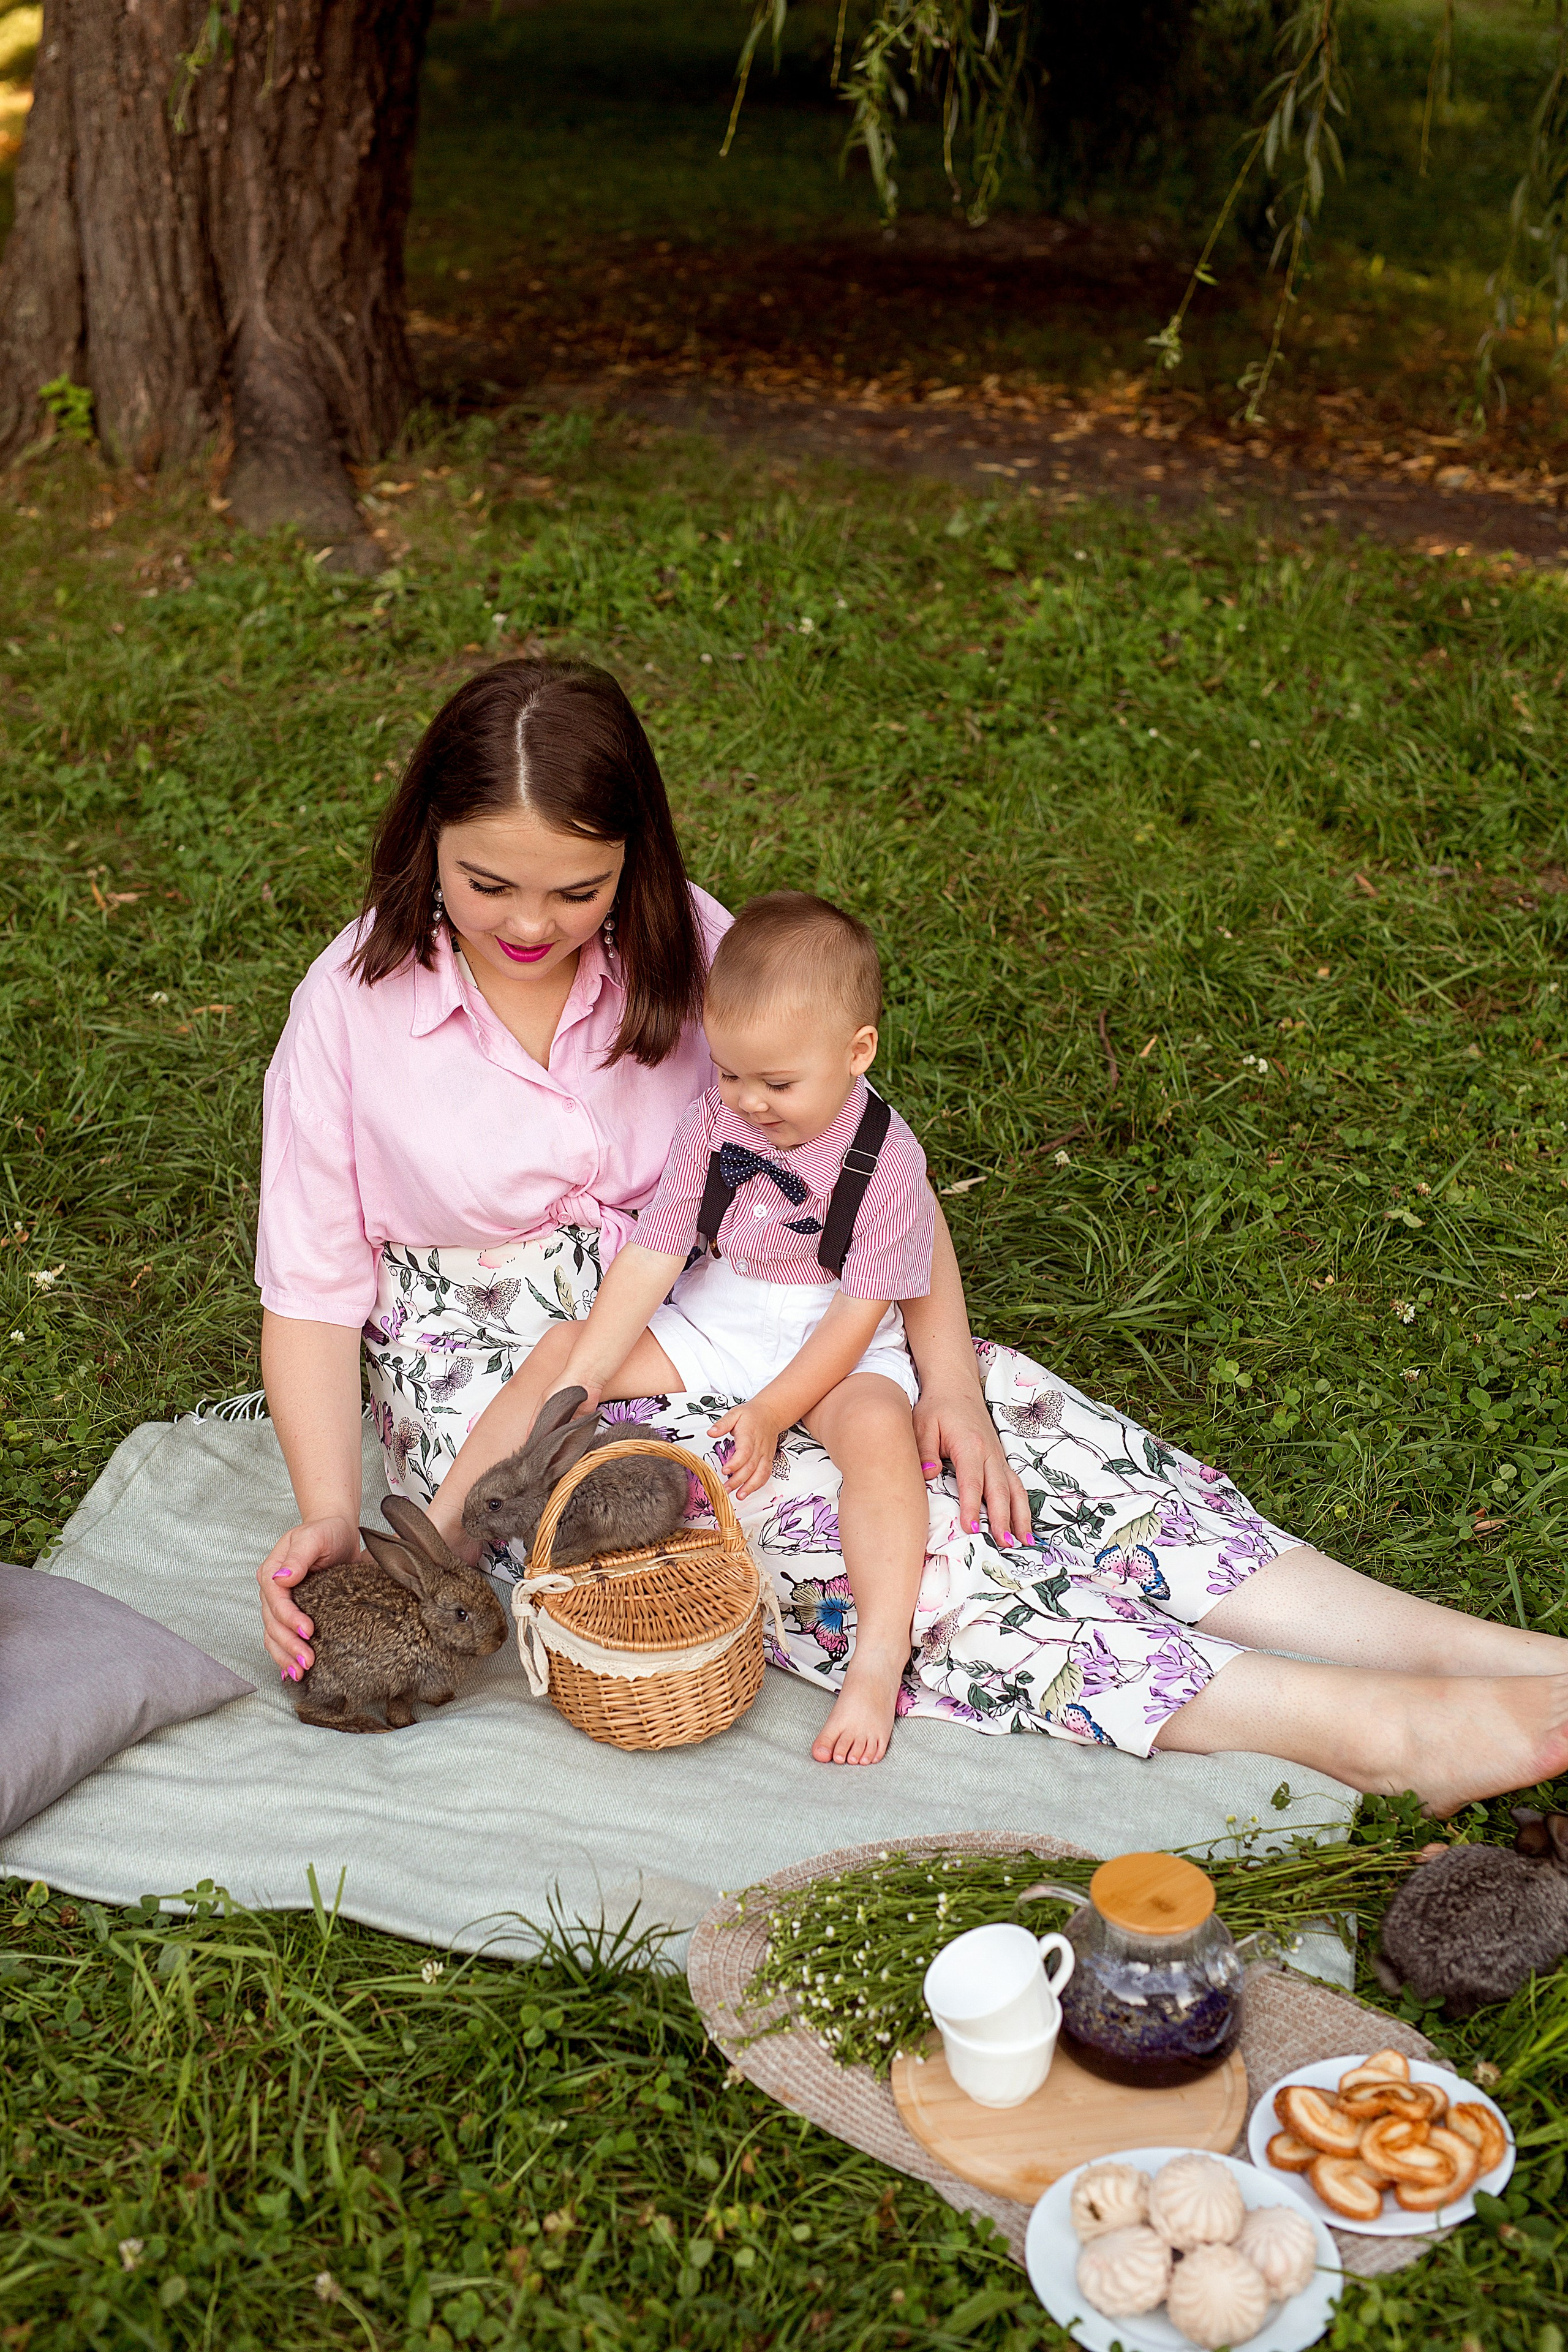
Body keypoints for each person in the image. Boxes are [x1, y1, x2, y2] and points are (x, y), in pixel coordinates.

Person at [255, 655, 1568, 1815]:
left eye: (579, 890)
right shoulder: (351, 1008)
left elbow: (868, 1167)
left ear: (633, 861)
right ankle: (1368, 1730)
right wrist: (331, 1514)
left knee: (1013, 1443)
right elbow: (311, 1293)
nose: (533, 926)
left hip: (747, 1293)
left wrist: (953, 1385)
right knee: (829, 1530)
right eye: (487, 884)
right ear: (425, 841)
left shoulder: (693, 945)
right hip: (517, 1378)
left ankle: (1491, 1656)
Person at [462, 890, 941, 1766]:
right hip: (721, 1316)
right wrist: (588, 1378)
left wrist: (772, 1412)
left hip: (834, 1336)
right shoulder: (714, 1123)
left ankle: (878, 1658)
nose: (749, 1102)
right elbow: (655, 1253)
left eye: (778, 1084)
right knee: (564, 1351)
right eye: (729, 1074)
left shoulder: (890, 1162)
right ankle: (461, 1527)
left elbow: (857, 1317)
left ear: (858, 1051)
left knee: (881, 1442)